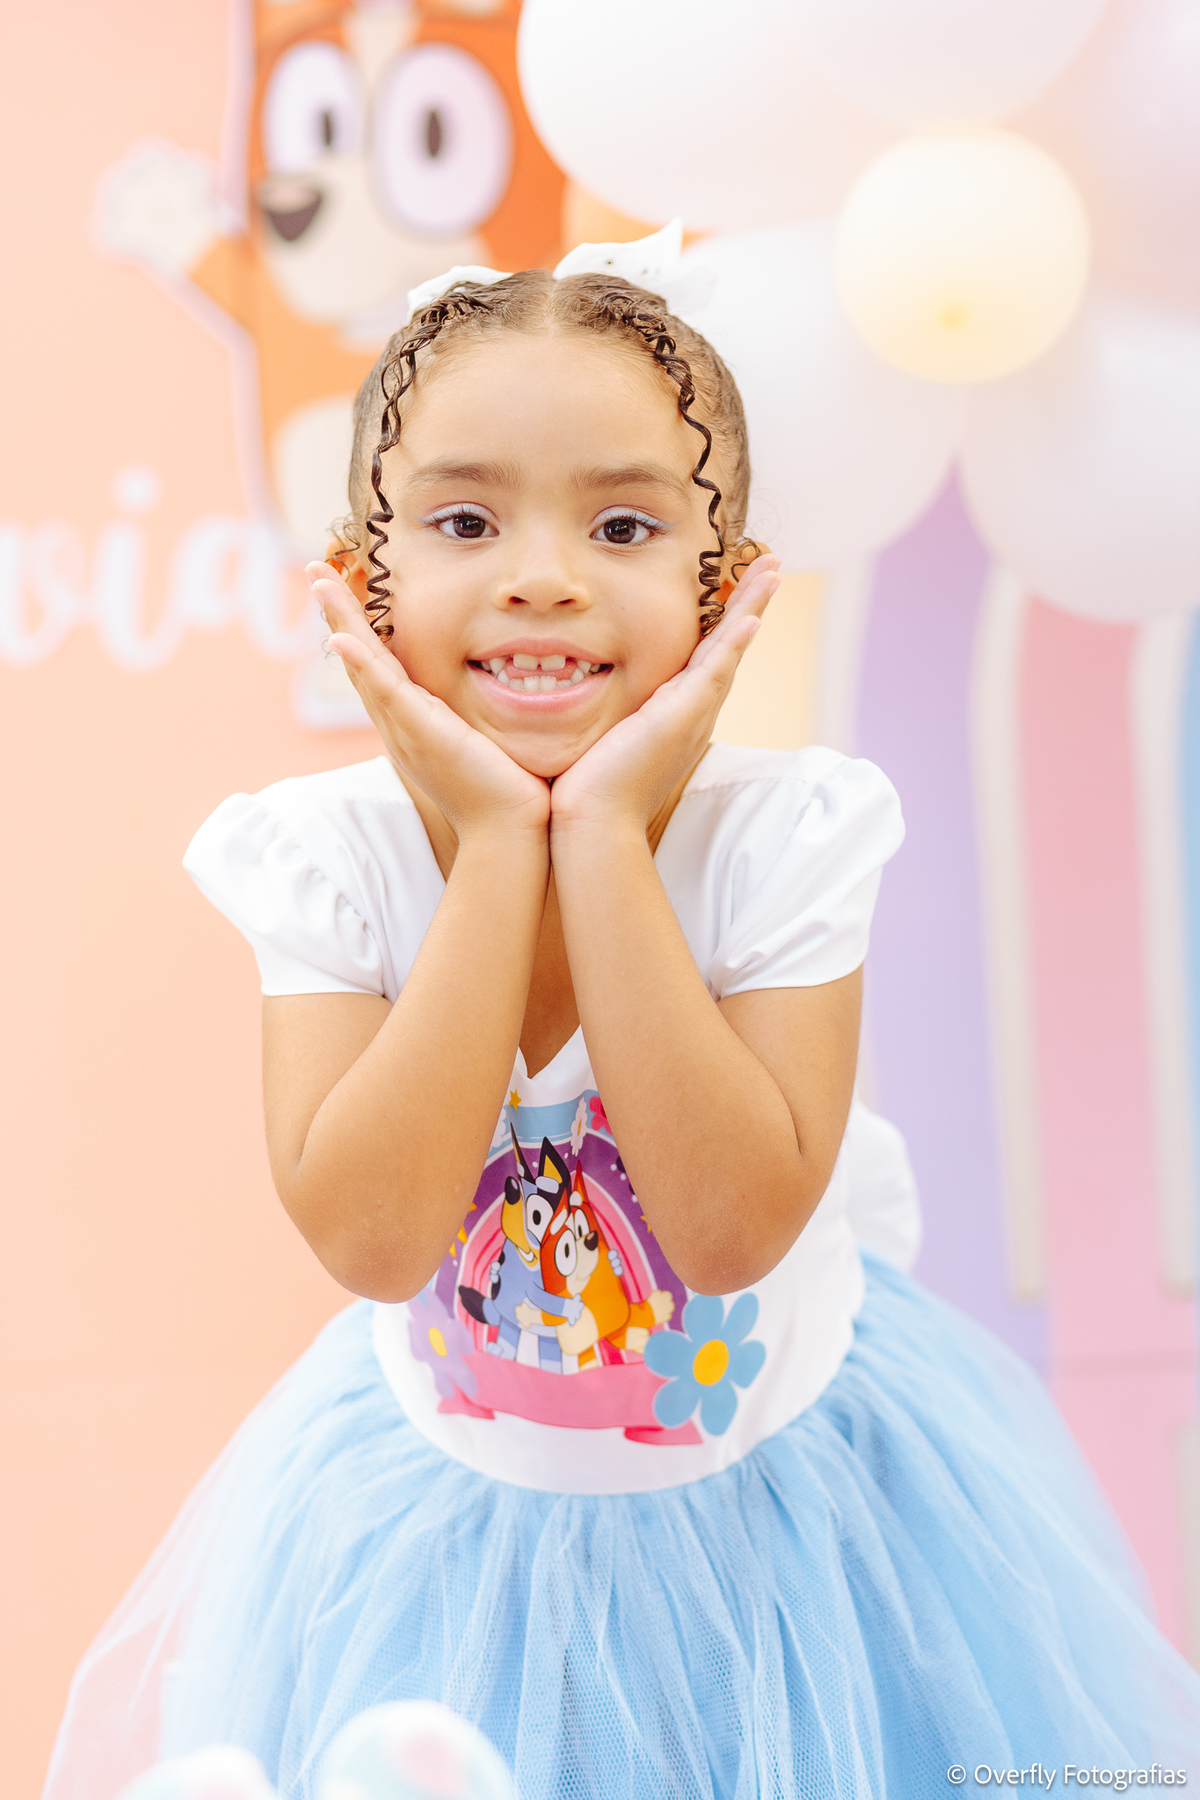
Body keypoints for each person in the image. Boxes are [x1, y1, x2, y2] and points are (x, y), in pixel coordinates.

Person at [45, 235, 1200, 1800]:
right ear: (357, 576)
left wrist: (597, 839)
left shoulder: (784, 839)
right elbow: (376, 1239)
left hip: (794, 1522)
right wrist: (498, 850)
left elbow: (728, 1228)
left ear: (723, 593)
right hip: (444, 1524)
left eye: (623, 523)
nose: (541, 571)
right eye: (464, 518)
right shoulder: (328, 856)